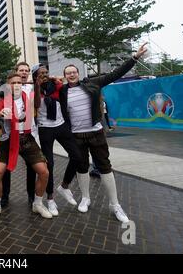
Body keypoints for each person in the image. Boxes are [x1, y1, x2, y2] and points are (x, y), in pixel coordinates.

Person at [59, 43, 148, 223]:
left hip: (95, 133)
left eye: (73, 71)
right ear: (64, 76)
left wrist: (135, 57)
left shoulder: (93, 83)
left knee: (105, 167)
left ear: (78, 73)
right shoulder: (62, 92)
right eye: (67, 72)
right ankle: (85, 198)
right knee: (81, 168)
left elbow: (115, 74)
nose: (71, 74)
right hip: (76, 136)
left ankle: (115, 204)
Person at [0, 73, 52, 221]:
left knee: (44, 172)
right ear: (8, 86)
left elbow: (40, 95)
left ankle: (38, 203)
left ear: (22, 84)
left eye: (18, 82)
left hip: (27, 139)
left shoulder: (28, 97)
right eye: (12, 82)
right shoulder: (3, 101)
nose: (16, 85)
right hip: (8, 140)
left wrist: (39, 82)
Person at [31, 64, 82, 215]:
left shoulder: (56, 85)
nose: (44, 75)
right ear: (35, 76)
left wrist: (54, 78)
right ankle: (50, 199)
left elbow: (64, 84)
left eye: (46, 72)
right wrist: (37, 86)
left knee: (77, 156)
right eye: (41, 73)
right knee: (50, 164)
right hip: (45, 128)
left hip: (61, 126)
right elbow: (36, 104)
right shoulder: (34, 89)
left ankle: (64, 186)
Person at [1, 62, 37, 207]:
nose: (24, 73)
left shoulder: (32, 88)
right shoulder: (5, 90)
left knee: (32, 166)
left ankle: (31, 195)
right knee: (6, 166)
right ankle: (4, 195)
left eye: (26, 71)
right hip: (11, 134)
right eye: (21, 70)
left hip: (28, 133)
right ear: (16, 72)